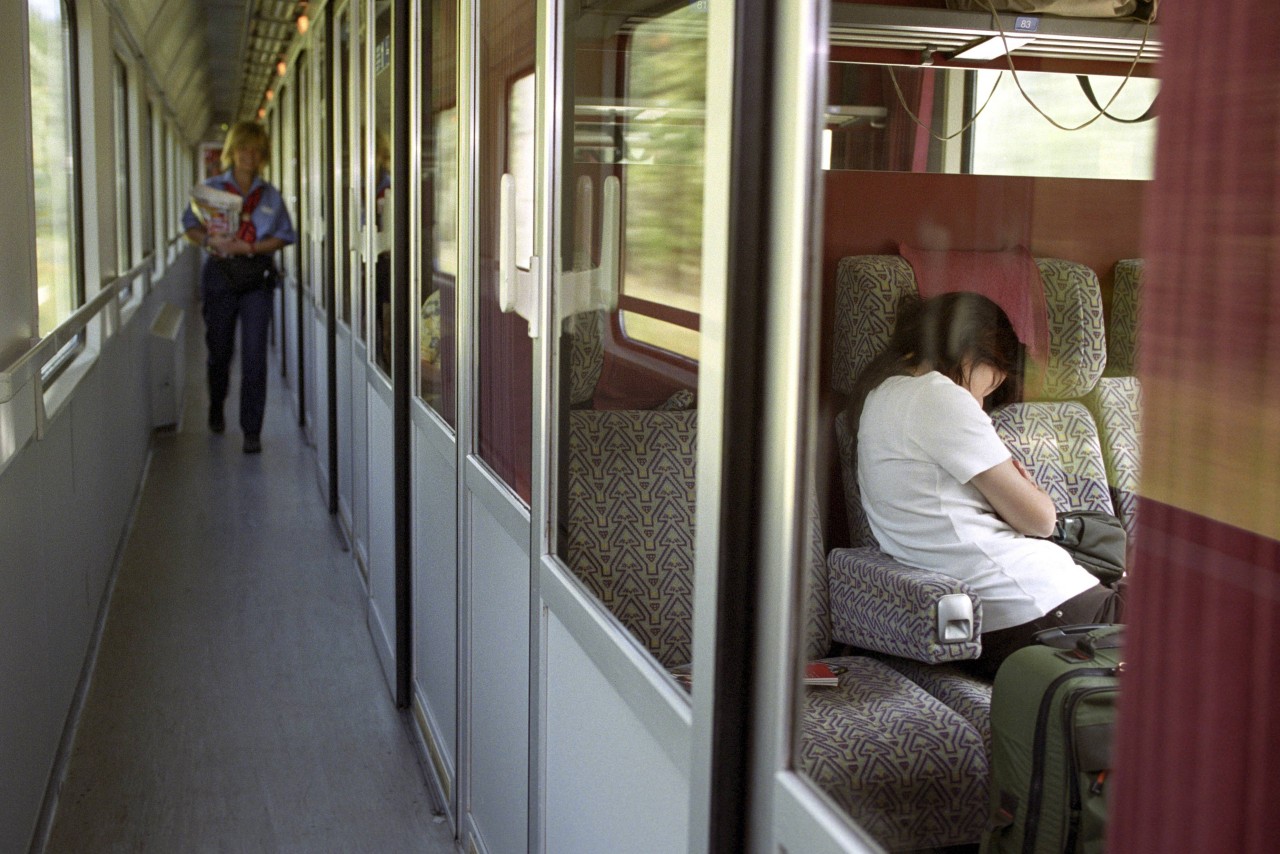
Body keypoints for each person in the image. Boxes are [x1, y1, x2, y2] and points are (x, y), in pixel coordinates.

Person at [846, 292, 1123, 679]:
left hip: (997, 618)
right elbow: (1040, 521)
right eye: (986, 388)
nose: (978, 404)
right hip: (1036, 605)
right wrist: (1032, 492)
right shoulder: (938, 396)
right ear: (974, 351)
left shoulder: (879, 397)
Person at [183, 121, 296, 453]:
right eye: (245, 147)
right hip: (219, 275)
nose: (251, 154)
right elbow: (190, 225)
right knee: (220, 352)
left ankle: (251, 431)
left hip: (255, 279)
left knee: (255, 356)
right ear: (233, 151)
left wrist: (248, 248)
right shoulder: (211, 189)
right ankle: (217, 405)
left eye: (257, 149)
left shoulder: (270, 194)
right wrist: (209, 239)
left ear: (263, 154)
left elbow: (284, 235)